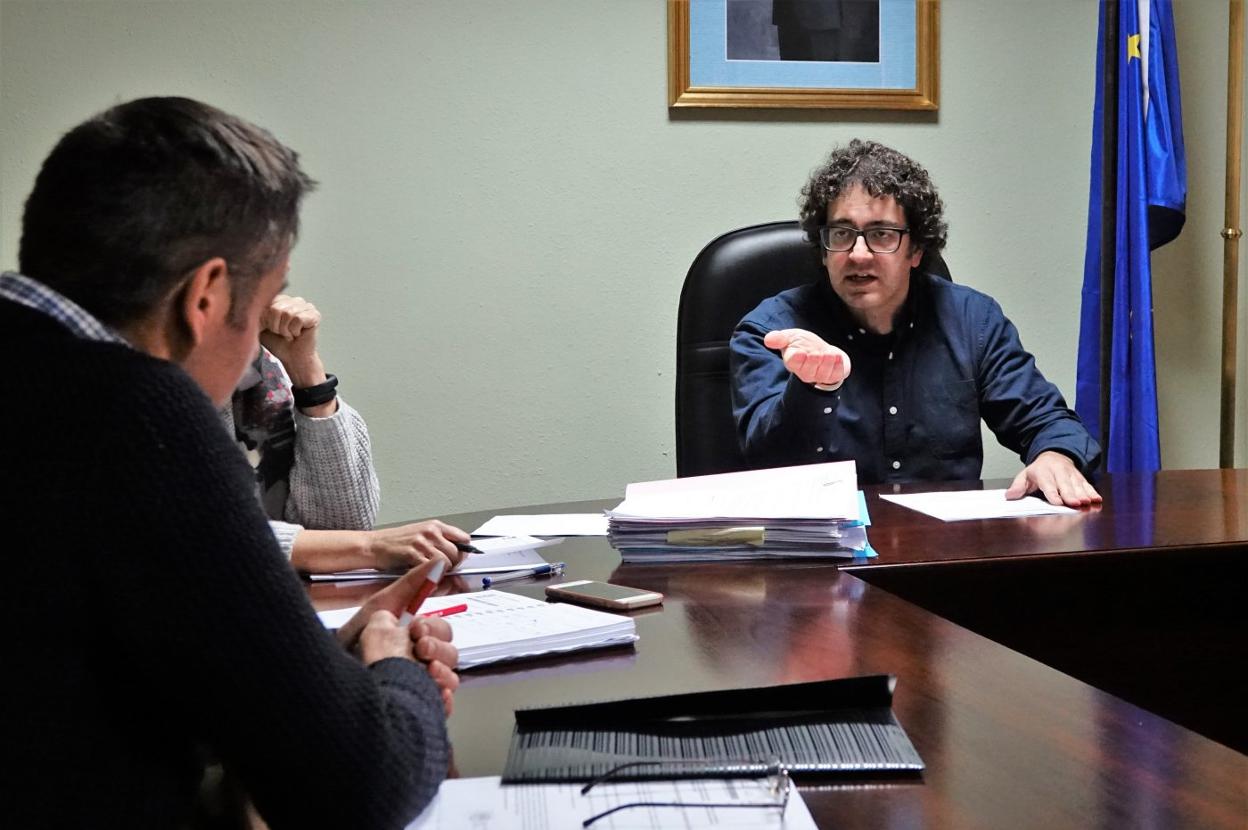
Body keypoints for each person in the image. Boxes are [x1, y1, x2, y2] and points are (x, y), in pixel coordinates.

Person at [1, 97, 458, 828]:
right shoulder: (134, 413)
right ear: (207, 296)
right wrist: (389, 665)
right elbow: (357, 788)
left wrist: (307, 669)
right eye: (265, 302)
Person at [730, 139, 1103, 508]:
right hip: (818, 553)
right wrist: (812, 388)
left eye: (881, 234)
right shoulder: (771, 332)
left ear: (917, 250)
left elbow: (1045, 419)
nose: (859, 254)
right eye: (842, 234)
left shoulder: (973, 321)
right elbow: (764, 462)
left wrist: (1056, 455)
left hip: (944, 555)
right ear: (824, 250)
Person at [227, 292, 472, 573]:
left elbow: (343, 525)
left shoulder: (265, 364)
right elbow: (201, 538)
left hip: (279, 597)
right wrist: (370, 547)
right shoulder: (173, 381)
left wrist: (307, 375)